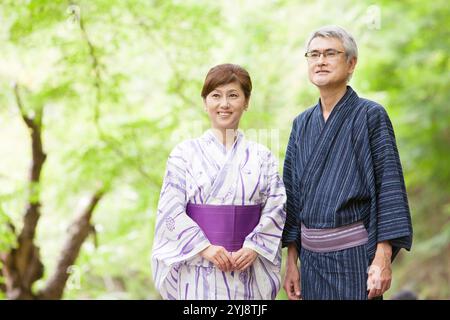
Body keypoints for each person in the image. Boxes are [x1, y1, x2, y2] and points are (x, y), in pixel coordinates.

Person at [282, 26, 413, 300]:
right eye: (314, 54)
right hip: (311, 264)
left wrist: (382, 257)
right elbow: (292, 198)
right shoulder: (301, 124)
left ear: (351, 63)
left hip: (354, 260)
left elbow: (388, 188)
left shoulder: (370, 116)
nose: (320, 61)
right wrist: (291, 262)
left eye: (330, 53)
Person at [152, 64, 286, 300]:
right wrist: (205, 247)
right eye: (216, 95)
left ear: (246, 101)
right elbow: (170, 211)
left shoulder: (262, 156)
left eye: (233, 95)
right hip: (197, 269)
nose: (224, 104)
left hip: (246, 270)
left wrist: (255, 247)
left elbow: (277, 207)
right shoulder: (184, 154)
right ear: (205, 102)